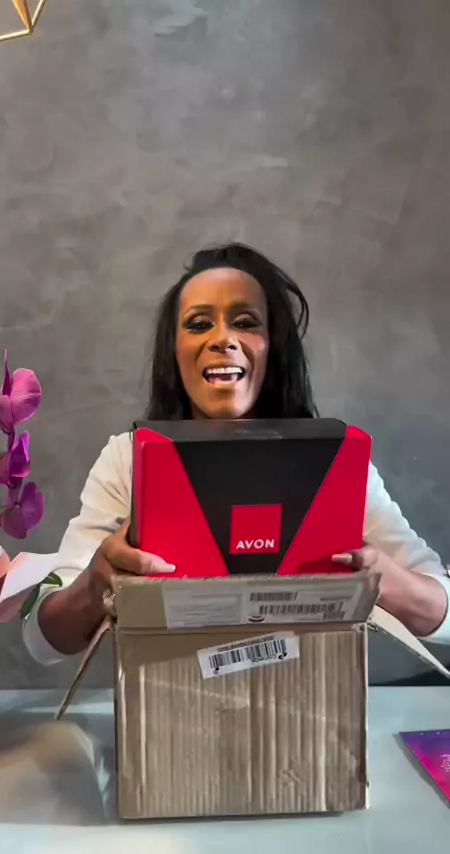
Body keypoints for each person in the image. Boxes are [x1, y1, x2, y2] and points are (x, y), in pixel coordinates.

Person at [23, 244, 450, 664]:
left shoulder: (334, 463)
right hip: (168, 696)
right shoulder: (128, 459)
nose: (223, 339)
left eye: (245, 322)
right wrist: (96, 581)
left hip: (311, 695)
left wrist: (383, 579)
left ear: (273, 347)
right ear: (174, 351)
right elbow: (42, 642)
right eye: (198, 324)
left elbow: (445, 613)